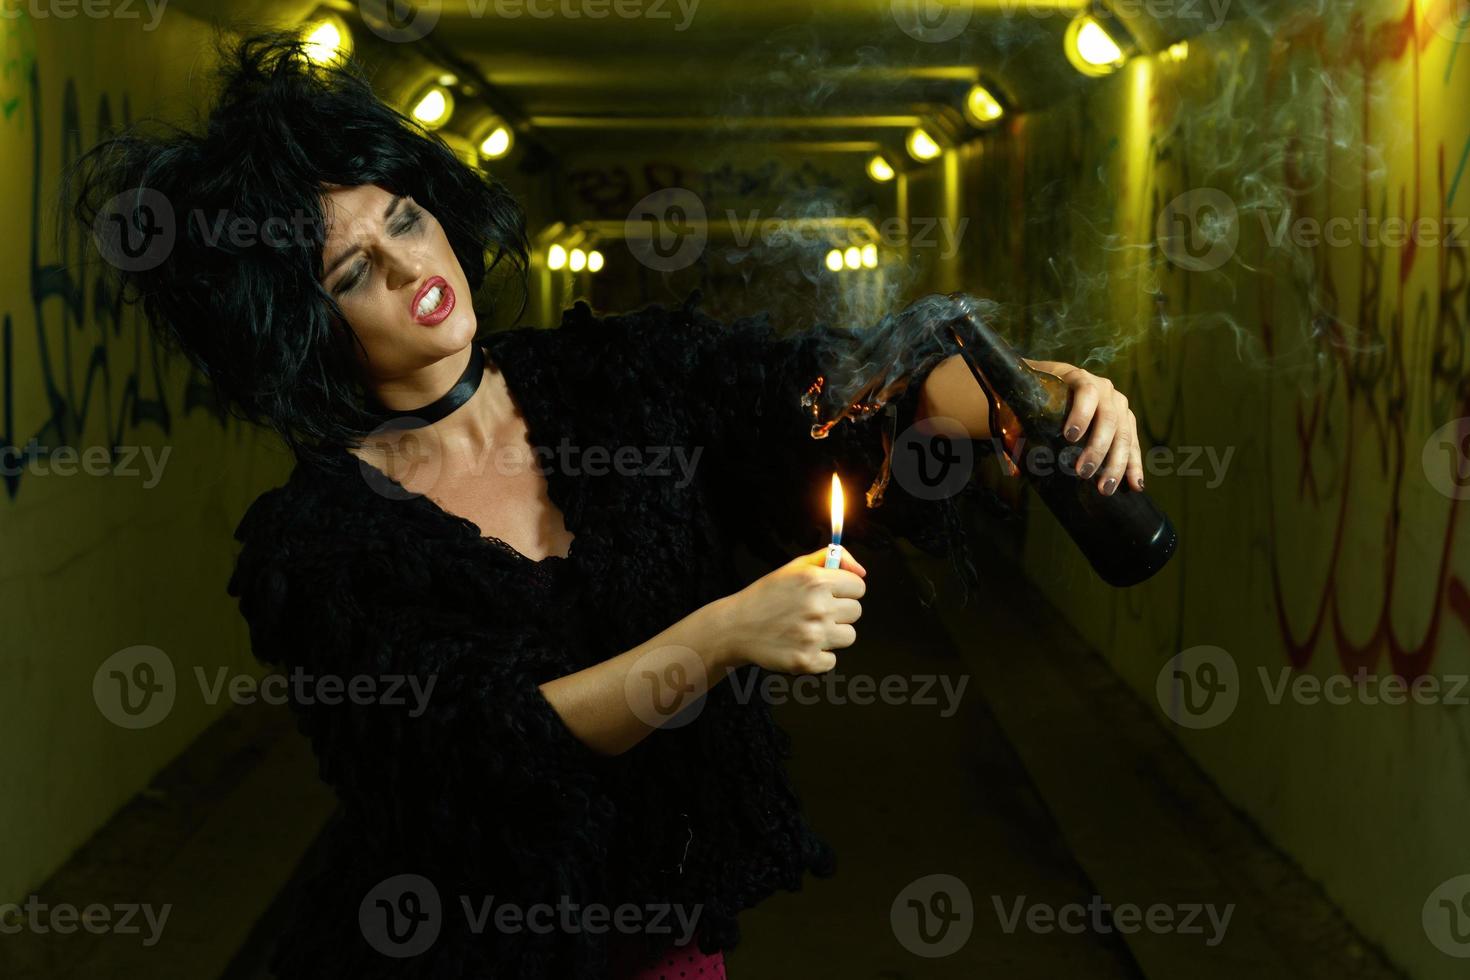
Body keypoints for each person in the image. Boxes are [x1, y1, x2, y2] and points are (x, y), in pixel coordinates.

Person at [71, 31, 1144, 980]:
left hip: (665, 947)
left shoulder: (624, 374)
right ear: (302, 324)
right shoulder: (318, 540)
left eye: (405, 217)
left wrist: (1025, 392)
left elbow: (835, 400)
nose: (410, 266)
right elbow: (468, 754)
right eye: (353, 268)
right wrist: (722, 633)